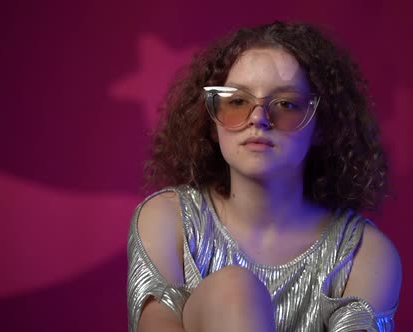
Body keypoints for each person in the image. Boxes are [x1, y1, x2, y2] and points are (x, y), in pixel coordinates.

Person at [126, 21, 402, 332]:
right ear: (212, 124)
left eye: (285, 104)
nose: (258, 118)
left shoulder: (363, 253)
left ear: (322, 127)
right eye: (237, 102)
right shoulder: (169, 219)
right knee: (233, 289)